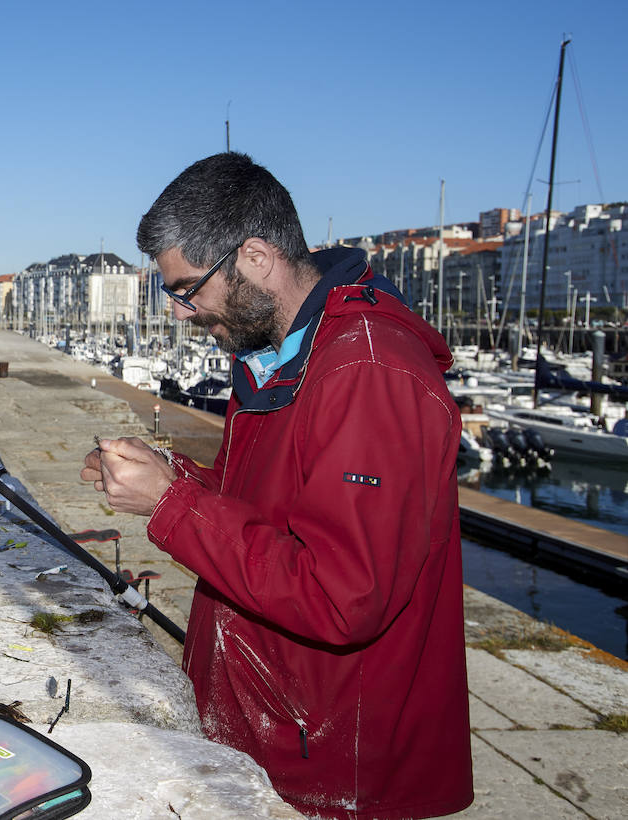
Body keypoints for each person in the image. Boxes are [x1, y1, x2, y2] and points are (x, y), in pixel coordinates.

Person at [81, 152, 472, 819]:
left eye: (188, 289)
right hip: (270, 734)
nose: (181, 312)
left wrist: (172, 504)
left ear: (256, 257)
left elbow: (341, 596)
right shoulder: (282, 352)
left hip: (331, 771)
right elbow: (273, 508)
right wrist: (175, 477)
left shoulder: (367, 373)